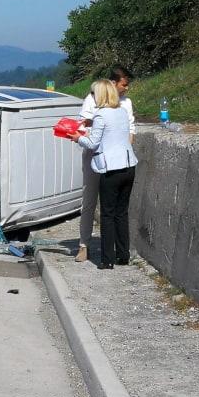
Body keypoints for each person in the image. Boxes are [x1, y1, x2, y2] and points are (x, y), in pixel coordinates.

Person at [68, 79, 138, 270]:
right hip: (129, 165)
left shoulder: (100, 115)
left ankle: (107, 259)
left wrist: (77, 138)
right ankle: (123, 255)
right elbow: (115, 131)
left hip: (110, 168)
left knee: (107, 214)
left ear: (101, 95)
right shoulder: (122, 112)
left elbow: (93, 143)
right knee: (121, 213)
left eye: (94, 93)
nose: (92, 96)